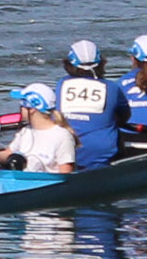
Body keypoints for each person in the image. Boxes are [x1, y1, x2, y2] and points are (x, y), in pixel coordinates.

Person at [52, 39, 131, 171]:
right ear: (101, 64)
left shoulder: (61, 84)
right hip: (99, 153)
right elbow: (125, 116)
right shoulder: (112, 87)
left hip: (65, 151)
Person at [0, 84, 79, 175]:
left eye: (22, 104)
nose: (20, 108)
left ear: (32, 109)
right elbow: (9, 154)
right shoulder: (25, 131)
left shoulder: (62, 136)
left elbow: (66, 174)